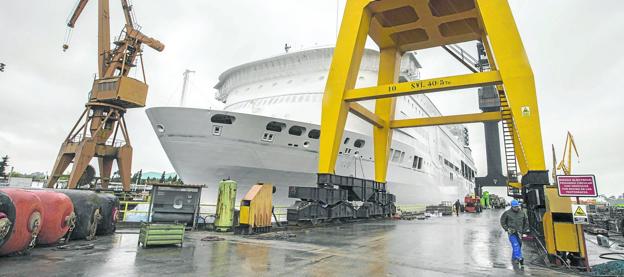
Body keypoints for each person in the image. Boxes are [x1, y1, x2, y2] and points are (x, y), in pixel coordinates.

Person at [500, 199, 529, 268]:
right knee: (515, 244)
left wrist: (524, 231)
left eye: (517, 206)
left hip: (520, 232)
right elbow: (502, 221)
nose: (516, 208)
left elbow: (526, 222)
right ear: (512, 207)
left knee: (519, 245)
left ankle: (514, 258)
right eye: (515, 207)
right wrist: (507, 229)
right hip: (512, 232)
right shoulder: (507, 213)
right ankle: (520, 258)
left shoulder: (522, 213)